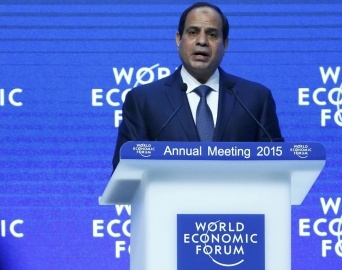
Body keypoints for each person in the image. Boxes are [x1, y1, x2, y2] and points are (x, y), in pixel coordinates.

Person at [113, 2, 284, 170]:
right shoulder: (143, 100)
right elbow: (125, 171)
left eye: (212, 34)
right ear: (179, 39)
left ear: (225, 44)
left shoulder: (255, 98)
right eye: (193, 32)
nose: (202, 41)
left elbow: (276, 168)